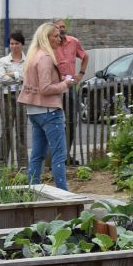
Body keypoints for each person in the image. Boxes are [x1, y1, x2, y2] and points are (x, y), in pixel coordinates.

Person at [18, 22, 75, 190]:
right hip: (49, 111)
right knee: (59, 155)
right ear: (46, 38)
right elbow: (45, 88)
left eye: (59, 35)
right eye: (55, 36)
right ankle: (63, 193)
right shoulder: (45, 58)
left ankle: (32, 190)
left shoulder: (32, 55)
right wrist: (65, 84)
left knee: (37, 155)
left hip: (34, 111)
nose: (59, 38)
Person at [53, 18, 89, 164]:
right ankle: (55, 157)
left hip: (70, 86)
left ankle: (66, 154)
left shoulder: (73, 41)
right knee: (54, 121)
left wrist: (81, 74)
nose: (61, 29)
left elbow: (85, 57)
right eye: (58, 27)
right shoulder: (51, 44)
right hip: (54, 87)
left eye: (63, 26)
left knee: (72, 120)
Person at [0, 31, 27, 165]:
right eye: (12, 43)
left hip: (22, 96)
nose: (14, 46)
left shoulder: (28, 61)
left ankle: (22, 163)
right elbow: (1, 78)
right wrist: (19, 76)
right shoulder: (2, 61)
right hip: (6, 97)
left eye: (17, 43)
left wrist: (12, 74)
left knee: (21, 130)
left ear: (22, 44)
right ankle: (2, 162)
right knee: (6, 129)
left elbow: (28, 78)